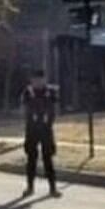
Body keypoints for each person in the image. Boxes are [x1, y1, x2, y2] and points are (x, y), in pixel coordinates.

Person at [21, 70, 61, 198]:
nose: (38, 82)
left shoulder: (50, 92)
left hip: (46, 129)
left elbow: (55, 109)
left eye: (40, 79)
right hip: (32, 129)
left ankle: (53, 188)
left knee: (48, 158)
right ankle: (30, 187)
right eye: (35, 80)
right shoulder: (28, 92)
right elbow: (24, 109)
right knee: (31, 158)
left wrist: (49, 120)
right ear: (32, 80)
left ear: (44, 79)